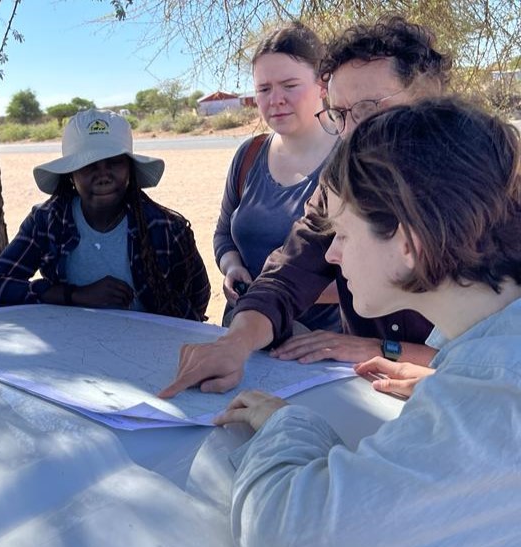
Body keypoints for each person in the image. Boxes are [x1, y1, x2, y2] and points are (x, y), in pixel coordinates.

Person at [214, 97, 521, 547]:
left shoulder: (491, 399)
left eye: (343, 233)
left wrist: (288, 426)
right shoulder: (490, 361)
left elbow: (287, 529)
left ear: (408, 242)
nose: (333, 253)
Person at [161, 16, 451, 398]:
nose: (350, 134)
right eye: (340, 114)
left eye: (367, 109)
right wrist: (235, 343)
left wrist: (383, 349)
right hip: (373, 397)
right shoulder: (340, 184)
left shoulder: (488, 196)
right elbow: (288, 273)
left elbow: (496, 357)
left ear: (428, 99)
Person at [0, 108, 210, 321]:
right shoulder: (47, 221)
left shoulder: (166, 228)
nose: (103, 176)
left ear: (130, 170)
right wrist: (74, 295)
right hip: (71, 342)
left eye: (114, 163)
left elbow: (198, 297)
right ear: (70, 175)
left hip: (148, 347)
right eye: (89, 165)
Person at [214, 22, 340, 332]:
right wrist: (232, 267)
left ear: (323, 85)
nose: (276, 99)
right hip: (244, 333)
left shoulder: (352, 158)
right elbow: (223, 235)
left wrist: (273, 293)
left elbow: (377, 273)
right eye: (264, 89)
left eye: (290, 85)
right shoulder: (249, 154)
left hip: (320, 344)